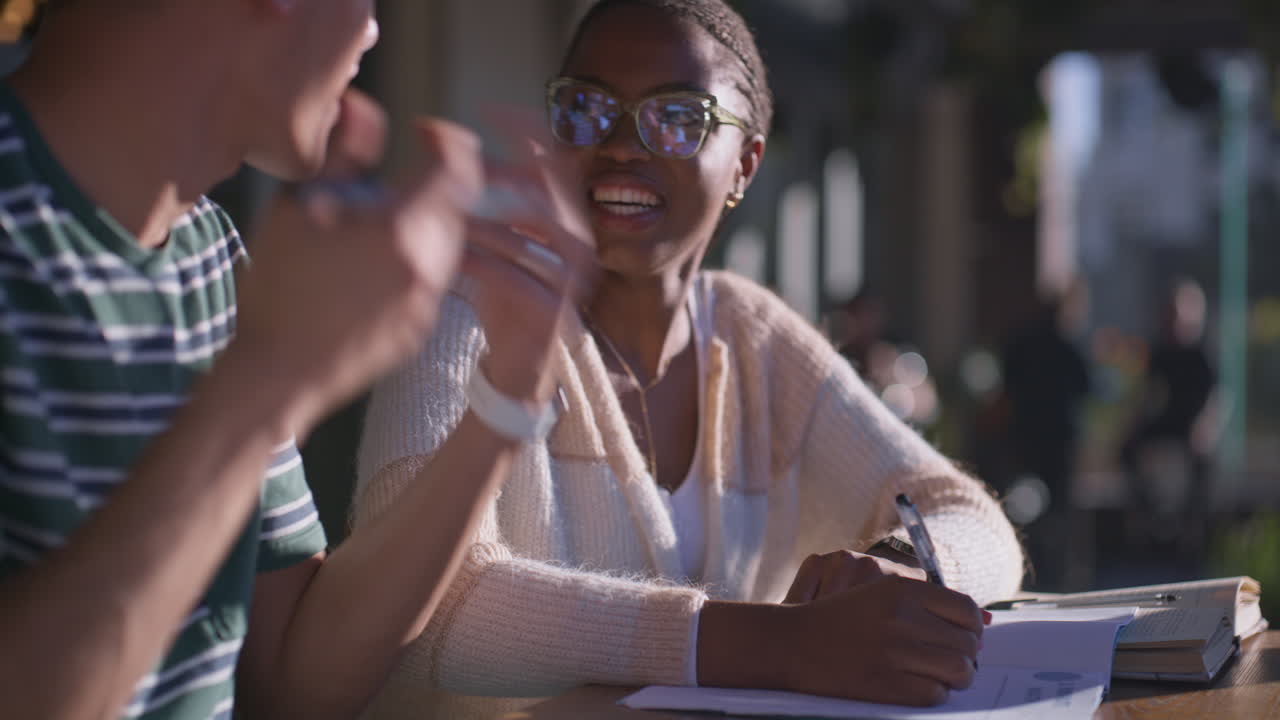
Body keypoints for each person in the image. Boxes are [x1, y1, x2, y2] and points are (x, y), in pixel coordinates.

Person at [354, 1, 1024, 718]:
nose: (619, 144)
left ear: (744, 164)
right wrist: (782, 644)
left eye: (677, 117)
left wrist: (891, 573)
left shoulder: (754, 337)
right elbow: (434, 610)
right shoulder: (471, 307)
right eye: (587, 107)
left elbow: (970, 519)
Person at [0, 2, 590, 719]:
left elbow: (292, 680)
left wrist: (509, 393)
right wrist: (265, 385)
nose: (372, 30)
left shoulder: (211, 252)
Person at [999, 283, 1092, 589]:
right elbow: (1087, 388)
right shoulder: (1064, 346)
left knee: (1030, 510)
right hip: (1049, 441)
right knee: (1052, 514)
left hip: (1032, 440)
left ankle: (1033, 570)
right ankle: (1053, 574)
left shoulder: (1025, 343)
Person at [1119, 278, 1218, 551]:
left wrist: (1204, 426)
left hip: (1191, 424)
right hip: (1168, 420)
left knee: (1202, 459)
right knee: (1127, 448)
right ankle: (1147, 514)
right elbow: (1148, 394)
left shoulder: (1201, 352)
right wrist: (1132, 424)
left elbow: (1214, 397)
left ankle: (1194, 526)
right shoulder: (1162, 351)